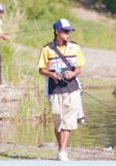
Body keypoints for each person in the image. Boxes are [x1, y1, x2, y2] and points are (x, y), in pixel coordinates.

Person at [37, 18, 86, 161]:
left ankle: (62, 152)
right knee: (58, 120)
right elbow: (41, 70)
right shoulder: (47, 49)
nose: (68, 34)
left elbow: (78, 69)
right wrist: (51, 74)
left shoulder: (75, 47)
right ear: (57, 32)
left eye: (69, 31)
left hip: (72, 89)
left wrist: (73, 74)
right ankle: (61, 149)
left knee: (67, 122)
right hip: (54, 89)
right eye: (65, 31)